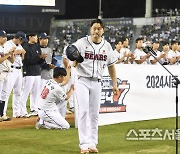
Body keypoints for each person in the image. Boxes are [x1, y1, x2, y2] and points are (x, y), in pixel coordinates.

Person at [66, 19, 118, 154]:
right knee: (83, 111)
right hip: (82, 79)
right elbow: (72, 62)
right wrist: (76, 59)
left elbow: (111, 66)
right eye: (94, 28)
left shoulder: (107, 46)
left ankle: (92, 142)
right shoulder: (81, 43)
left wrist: (114, 84)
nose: (96, 31)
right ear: (91, 29)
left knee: (94, 114)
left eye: (99, 28)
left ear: (103, 30)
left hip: (97, 81)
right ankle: (83, 144)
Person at [20, 32, 47, 118]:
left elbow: (38, 62)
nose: (36, 38)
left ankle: (34, 109)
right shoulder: (25, 47)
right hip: (28, 72)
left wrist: (42, 59)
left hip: (37, 72)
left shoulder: (37, 46)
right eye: (35, 37)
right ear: (30, 37)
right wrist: (39, 57)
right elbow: (27, 61)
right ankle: (22, 111)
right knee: (25, 92)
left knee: (36, 92)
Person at [2, 31, 27, 118]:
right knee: (6, 92)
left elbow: (21, 58)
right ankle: (3, 113)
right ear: (19, 38)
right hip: (11, 69)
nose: (23, 42)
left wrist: (22, 53)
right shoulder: (8, 43)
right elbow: (7, 54)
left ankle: (17, 113)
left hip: (19, 70)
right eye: (22, 40)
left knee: (18, 92)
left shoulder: (19, 45)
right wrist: (17, 52)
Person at [0, 30, 15, 121]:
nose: (5, 38)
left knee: (4, 94)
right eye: (3, 37)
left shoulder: (5, 47)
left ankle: (2, 114)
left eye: (5, 37)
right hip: (0, 72)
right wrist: (8, 53)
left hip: (7, 72)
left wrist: (11, 54)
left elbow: (12, 61)